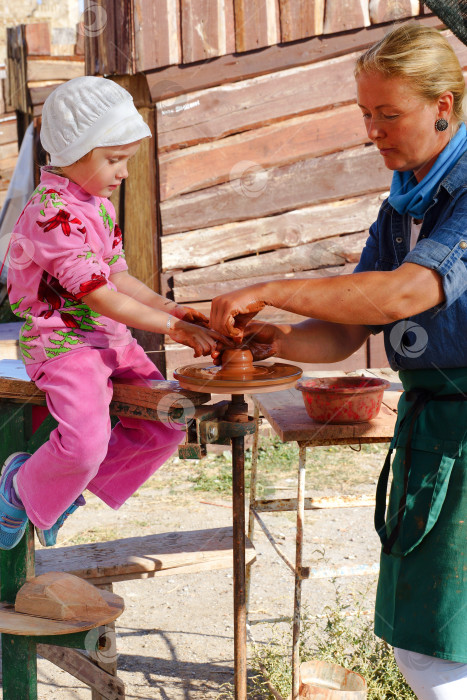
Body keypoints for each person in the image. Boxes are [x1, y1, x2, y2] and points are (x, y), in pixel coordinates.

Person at [210, 23, 467, 700]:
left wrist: (264, 286)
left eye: (389, 114)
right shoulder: (403, 201)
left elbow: (408, 292)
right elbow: (347, 328)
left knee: (442, 648)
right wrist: (277, 339)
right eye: (364, 114)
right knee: (426, 642)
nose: (371, 132)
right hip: (433, 428)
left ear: (443, 103)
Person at [1, 76, 224, 551]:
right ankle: (20, 487)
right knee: (84, 443)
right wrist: (173, 328)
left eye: (125, 159)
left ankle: (59, 490)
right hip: (64, 345)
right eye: (113, 159)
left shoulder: (97, 207)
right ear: (74, 150)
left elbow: (118, 276)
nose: (123, 172)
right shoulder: (51, 213)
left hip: (108, 341)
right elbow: (99, 295)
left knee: (166, 422)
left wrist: (168, 307)